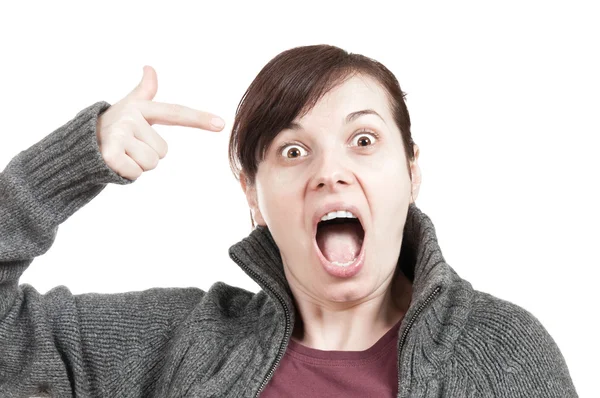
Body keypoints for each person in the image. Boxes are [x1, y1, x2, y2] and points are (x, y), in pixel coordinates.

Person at [0, 45, 578, 397]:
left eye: (363, 139)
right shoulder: (180, 341)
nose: (331, 172)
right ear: (253, 194)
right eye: (293, 152)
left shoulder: (500, 351)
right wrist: (68, 166)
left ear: (411, 172)